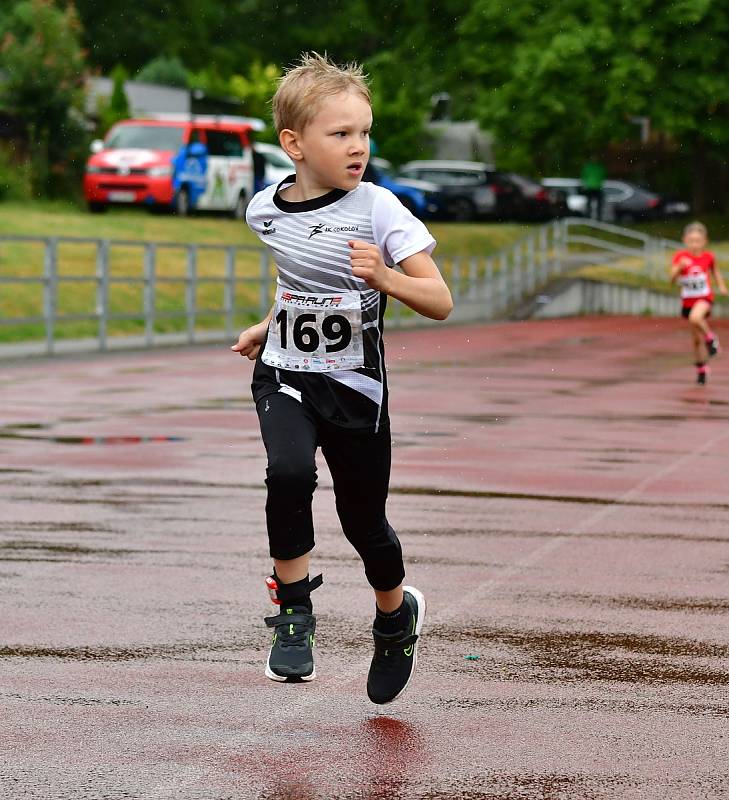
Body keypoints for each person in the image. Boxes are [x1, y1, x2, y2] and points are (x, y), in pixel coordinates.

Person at [230, 53, 453, 704]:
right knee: (290, 473)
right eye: (340, 134)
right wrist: (267, 323)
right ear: (293, 144)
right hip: (285, 373)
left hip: (355, 388)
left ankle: (392, 616)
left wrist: (384, 277)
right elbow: (299, 283)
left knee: (363, 522)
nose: (357, 147)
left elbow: (439, 299)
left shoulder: (379, 210)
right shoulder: (263, 211)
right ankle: (293, 612)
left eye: (363, 132)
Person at [670, 221, 727, 384]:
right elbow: (671, 279)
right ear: (684, 240)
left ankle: (711, 339)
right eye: (691, 241)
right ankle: (701, 369)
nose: (694, 244)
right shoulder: (680, 257)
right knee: (695, 341)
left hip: (704, 299)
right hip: (688, 302)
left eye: (698, 241)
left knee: (696, 318)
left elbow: (715, 272)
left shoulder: (708, 257)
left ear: (704, 241)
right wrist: (679, 268)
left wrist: (722, 286)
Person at [580, 156, 606, 220]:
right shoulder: (589, 167)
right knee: (589, 204)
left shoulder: (598, 167)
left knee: (597, 204)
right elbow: (583, 176)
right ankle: (589, 217)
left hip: (596, 187)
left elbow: (603, 175)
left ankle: (597, 218)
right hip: (591, 187)